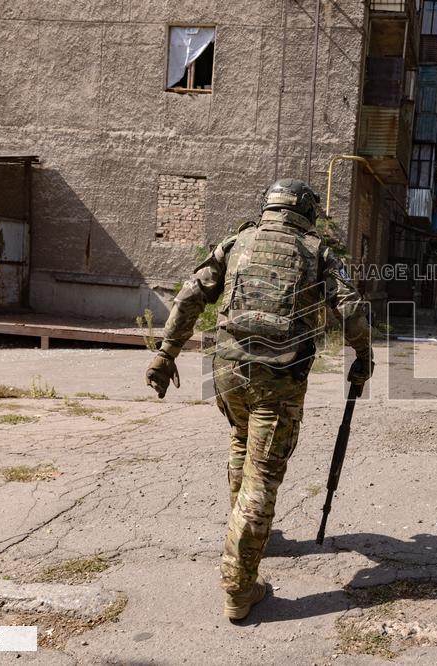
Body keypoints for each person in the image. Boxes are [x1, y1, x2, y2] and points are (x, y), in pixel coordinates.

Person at [144, 178, 374, 621]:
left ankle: (244, 535)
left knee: (240, 442)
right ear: (306, 211)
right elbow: (349, 308)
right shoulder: (318, 252)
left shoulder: (236, 242)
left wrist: (165, 353)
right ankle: (239, 585)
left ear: (269, 207)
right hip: (278, 376)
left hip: (229, 372)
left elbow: (191, 295)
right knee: (263, 477)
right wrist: (363, 355)